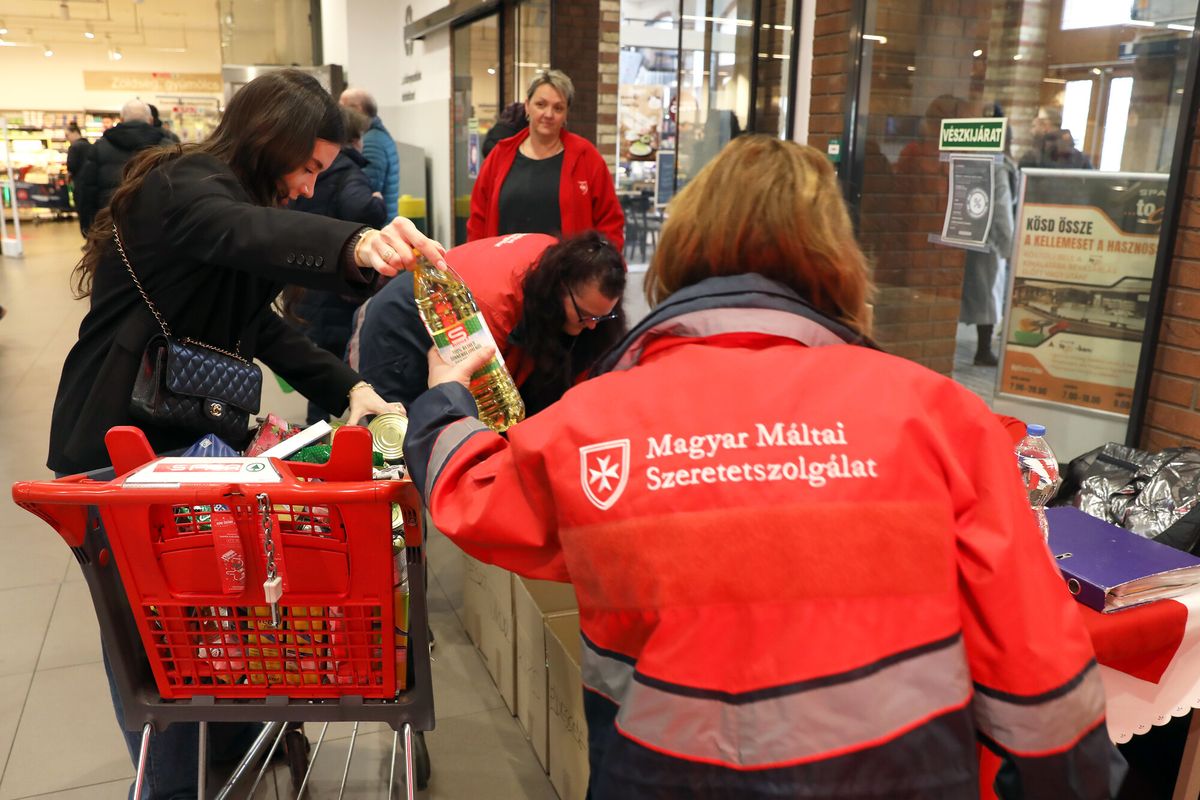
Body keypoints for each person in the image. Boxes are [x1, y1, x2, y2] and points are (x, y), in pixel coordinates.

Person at [402, 136, 1124, 799]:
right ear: (837, 258)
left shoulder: (595, 423)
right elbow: (1040, 671)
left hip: (656, 776)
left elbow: (473, 496)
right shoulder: (938, 415)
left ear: (682, 250)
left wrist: (444, 399)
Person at [47, 69, 446, 799]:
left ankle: (230, 743)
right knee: (153, 634)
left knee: (210, 613)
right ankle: (171, 786)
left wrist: (348, 387)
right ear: (271, 141)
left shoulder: (231, 199)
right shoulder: (184, 187)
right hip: (119, 443)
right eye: (306, 168)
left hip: (185, 440)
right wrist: (357, 243)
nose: (306, 187)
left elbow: (262, 324)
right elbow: (242, 232)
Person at [352, 230, 626, 416]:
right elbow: (481, 410)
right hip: (400, 322)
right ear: (561, 288)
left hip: (460, 316)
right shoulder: (494, 306)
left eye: (601, 317)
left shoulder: (560, 265)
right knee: (396, 436)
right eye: (585, 316)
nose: (592, 326)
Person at [290, 105, 389, 423]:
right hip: (334, 285)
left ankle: (314, 432)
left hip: (303, 278)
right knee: (331, 358)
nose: (308, 186)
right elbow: (361, 208)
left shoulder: (309, 170)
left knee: (314, 361)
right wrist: (377, 202)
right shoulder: (348, 171)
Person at [468, 70, 625, 250]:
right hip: (504, 271)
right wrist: (476, 261)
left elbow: (611, 223)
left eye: (558, 108)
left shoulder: (587, 157)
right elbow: (478, 221)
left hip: (567, 274)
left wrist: (605, 270)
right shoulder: (500, 155)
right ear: (527, 106)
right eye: (541, 104)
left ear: (566, 114)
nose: (548, 114)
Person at [76, 99, 175, 233]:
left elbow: (87, 190)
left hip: (110, 227)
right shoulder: (168, 148)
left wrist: (87, 226)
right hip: (157, 227)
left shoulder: (99, 147)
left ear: (121, 119)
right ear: (151, 120)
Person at [340, 87, 400, 216]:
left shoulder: (371, 141)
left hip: (379, 223)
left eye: (342, 106)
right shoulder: (376, 135)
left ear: (358, 108)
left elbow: (367, 190)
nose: (339, 112)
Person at [1019, 107, 1093, 170]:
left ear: (1046, 125)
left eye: (1037, 122)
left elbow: (1020, 183)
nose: (1032, 130)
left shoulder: (1032, 157)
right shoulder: (1080, 158)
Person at [64, 122, 92, 237]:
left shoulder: (74, 147)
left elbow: (71, 166)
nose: (67, 138)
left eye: (67, 135)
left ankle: (86, 236)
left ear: (75, 132)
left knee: (83, 213)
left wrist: (68, 175)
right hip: (91, 184)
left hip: (80, 185)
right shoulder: (90, 145)